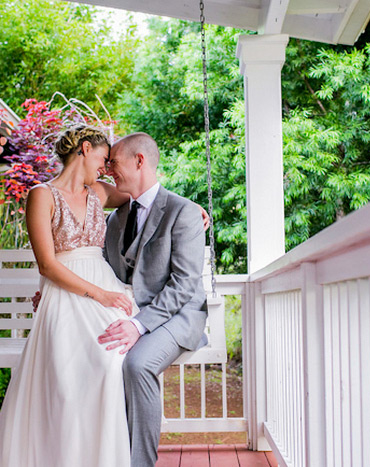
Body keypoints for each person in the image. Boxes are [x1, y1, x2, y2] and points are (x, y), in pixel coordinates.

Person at [0, 124, 138, 467]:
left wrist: (190, 209)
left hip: (105, 287)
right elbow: (47, 265)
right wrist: (99, 295)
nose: (107, 165)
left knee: (113, 365)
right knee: (66, 384)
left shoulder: (99, 192)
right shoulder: (42, 195)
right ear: (84, 148)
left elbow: (144, 193)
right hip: (67, 291)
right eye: (103, 157)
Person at [97, 133, 208, 467]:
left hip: (179, 316)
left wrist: (138, 325)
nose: (108, 170)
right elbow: (100, 270)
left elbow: (184, 283)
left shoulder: (183, 211)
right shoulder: (115, 220)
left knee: (138, 364)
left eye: (113, 162)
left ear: (139, 161)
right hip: (134, 313)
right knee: (95, 358)